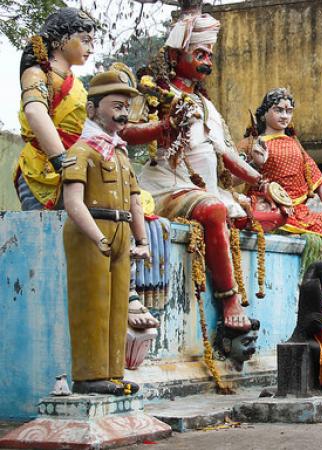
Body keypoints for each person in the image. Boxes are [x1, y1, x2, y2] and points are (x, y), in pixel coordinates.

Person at [119, 8, 262, 332]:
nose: (207, 60)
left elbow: (226, 155)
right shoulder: (154, 91)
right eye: (199, 53)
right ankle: (229, 301)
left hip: (203, 187)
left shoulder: (206, 105)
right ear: (176, 54)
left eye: (209, 54)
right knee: (213, 210)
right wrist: (164, 126)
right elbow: (126, 132)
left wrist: (262, 182)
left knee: (262, 216)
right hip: (167, 186)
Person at [61, 70, 149, 395]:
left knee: (117, 307)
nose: (123, 112)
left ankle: (113, 372)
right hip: (91, 229)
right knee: (92, 303)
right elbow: (72, 202)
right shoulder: (82, 151)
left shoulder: (121, 154)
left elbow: (136, 200)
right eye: (116, 105)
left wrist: (142, 240)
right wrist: (96, 236)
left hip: (121, 228)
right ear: (93, 110)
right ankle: (89, 375)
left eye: (126, 106)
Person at [246, 88, 322, 287]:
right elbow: (232, 178)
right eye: (278, 110)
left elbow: (319, 179)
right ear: (264, 112)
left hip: (301, 213)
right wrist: (255, 163)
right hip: (272, 212)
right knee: (315, 242)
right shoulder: (252, 143)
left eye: (289, 111)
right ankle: (307, 294)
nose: (285, 116)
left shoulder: (295, 146)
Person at [14, 8, 96, 210]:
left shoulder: (76, 84)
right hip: (45, 170)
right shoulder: (37, 74)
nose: (91, 48)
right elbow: (35, 112)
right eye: (85, 40)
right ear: (61, 40)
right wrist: (61, 160)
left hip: (77, 166)